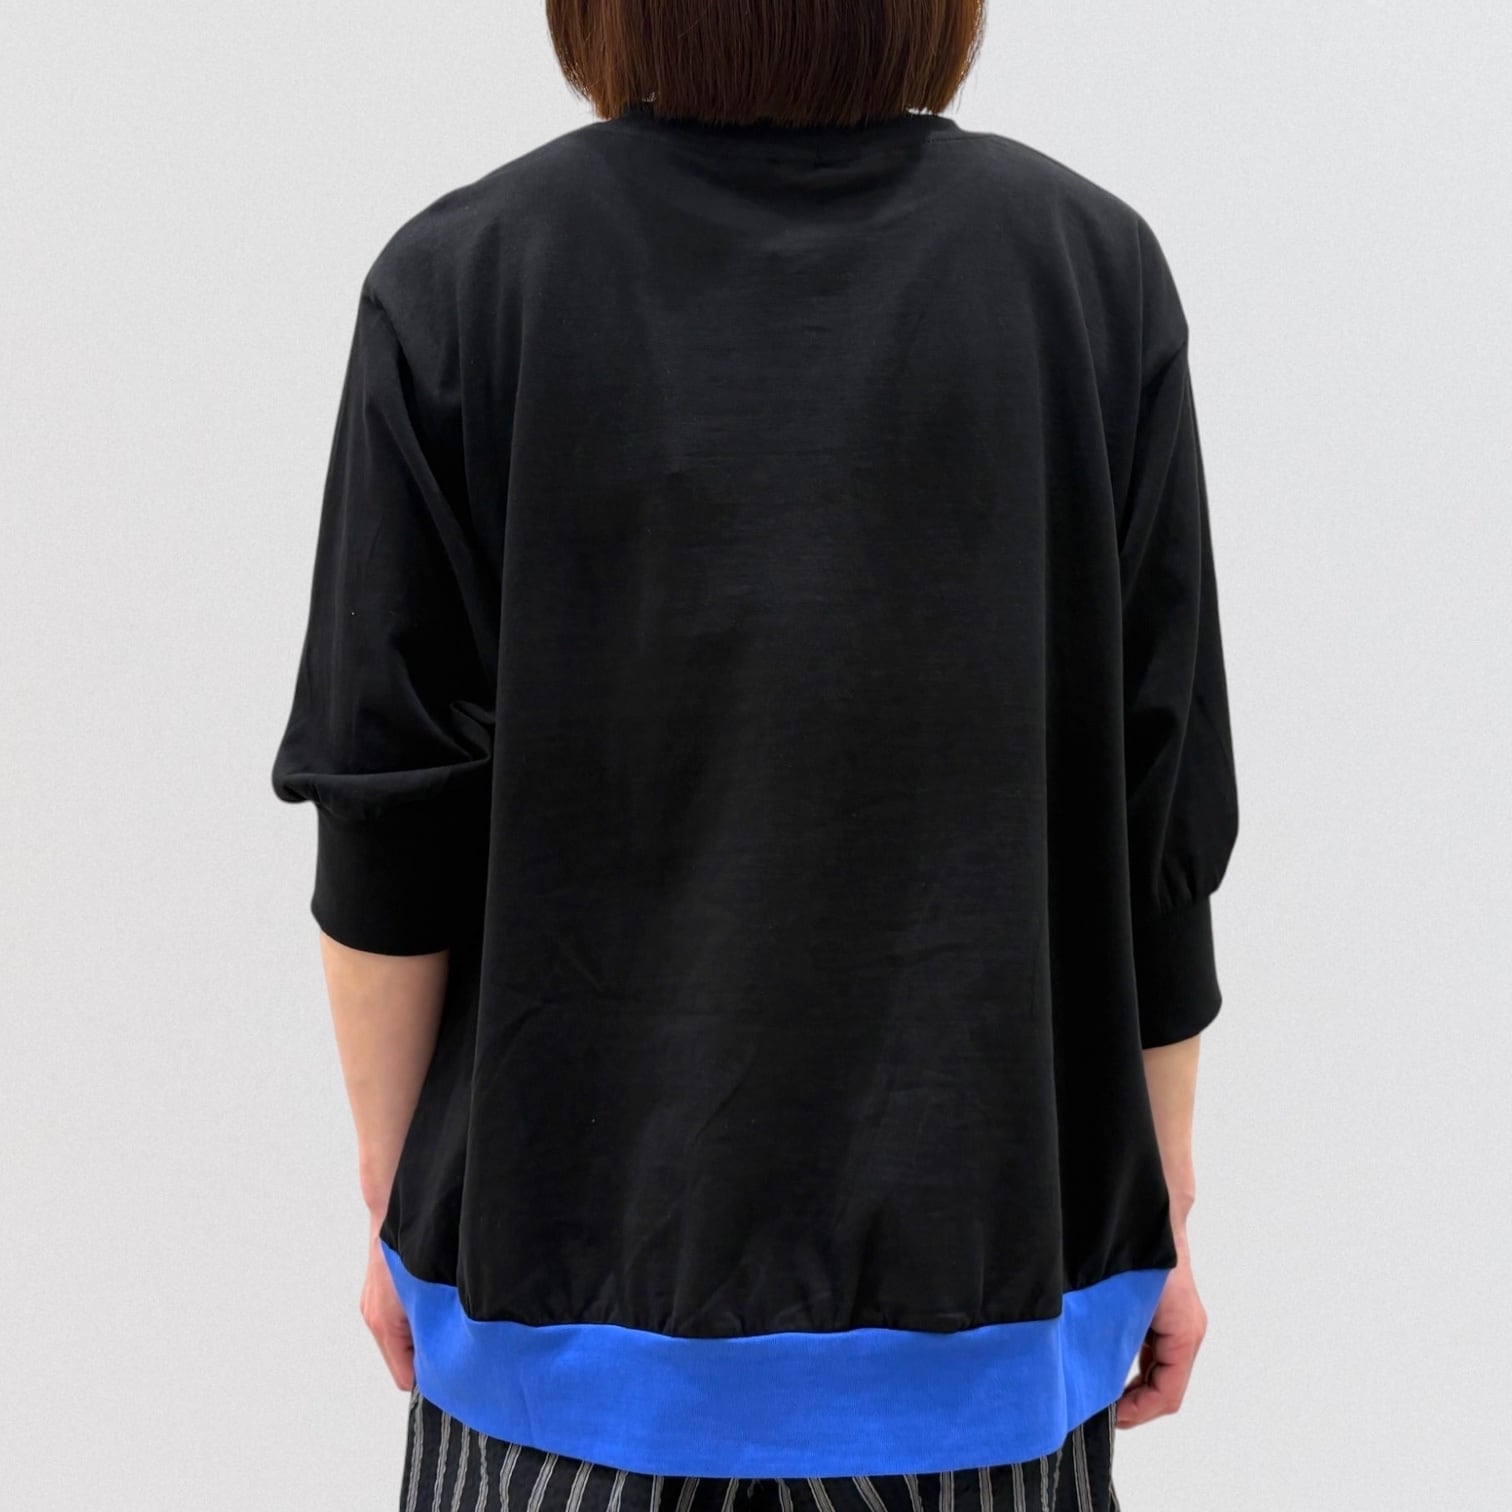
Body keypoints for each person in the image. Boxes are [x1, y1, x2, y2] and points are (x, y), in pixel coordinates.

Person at [269, 1, 1240, 1507]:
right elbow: (1157, 821)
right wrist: (1155, 1209)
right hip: (981, 1329)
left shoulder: (462, 280)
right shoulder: (1088, 274)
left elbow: (387, 819)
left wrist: (408, 1208)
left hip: (557, 1333)